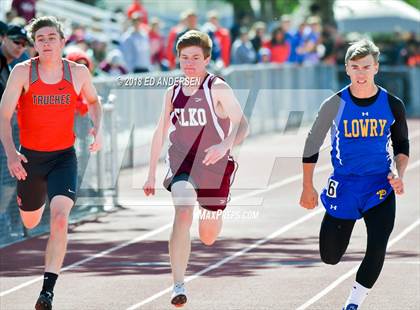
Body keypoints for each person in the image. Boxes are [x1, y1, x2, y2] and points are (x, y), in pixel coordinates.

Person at [0, 16, 103, 310]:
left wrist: (98, 128)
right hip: (29, 159)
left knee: (59, 219)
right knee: (31, 220)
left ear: (62, 41)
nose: (46, 43)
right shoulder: (22, 72)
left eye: (51, 37)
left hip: (63, 157)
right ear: (35, 44)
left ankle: (47, 292)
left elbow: (94, 103)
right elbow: (4, 117)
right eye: (41, 39)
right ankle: (34, 203)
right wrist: (10, 153)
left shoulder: (77, 73)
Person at [299, 39, 409, 310]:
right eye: (355, 67)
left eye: (366, 67)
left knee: (377, 247)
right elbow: (312, 145)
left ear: (376, 68)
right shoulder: (334, 104)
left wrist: (399, 172)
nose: (361, 73)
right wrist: (307, 186)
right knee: (330, 256)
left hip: (379, 186)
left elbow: (402, 145)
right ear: (347, 69)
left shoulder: (392, 104)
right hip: (345, 186)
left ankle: (353, 303)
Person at [143, 30, 249, 307]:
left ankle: (211, 211)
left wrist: (225, 145)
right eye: (184, 58)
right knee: (183, 208)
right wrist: (151, 173)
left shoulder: (217, 88)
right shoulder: (173, 92)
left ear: (206, 59)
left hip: (214, 164)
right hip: (182, 161)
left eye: (195, 58)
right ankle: (178, 284)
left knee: (208, 236)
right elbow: (160, 130)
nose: (189, 63)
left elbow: (243, 124)